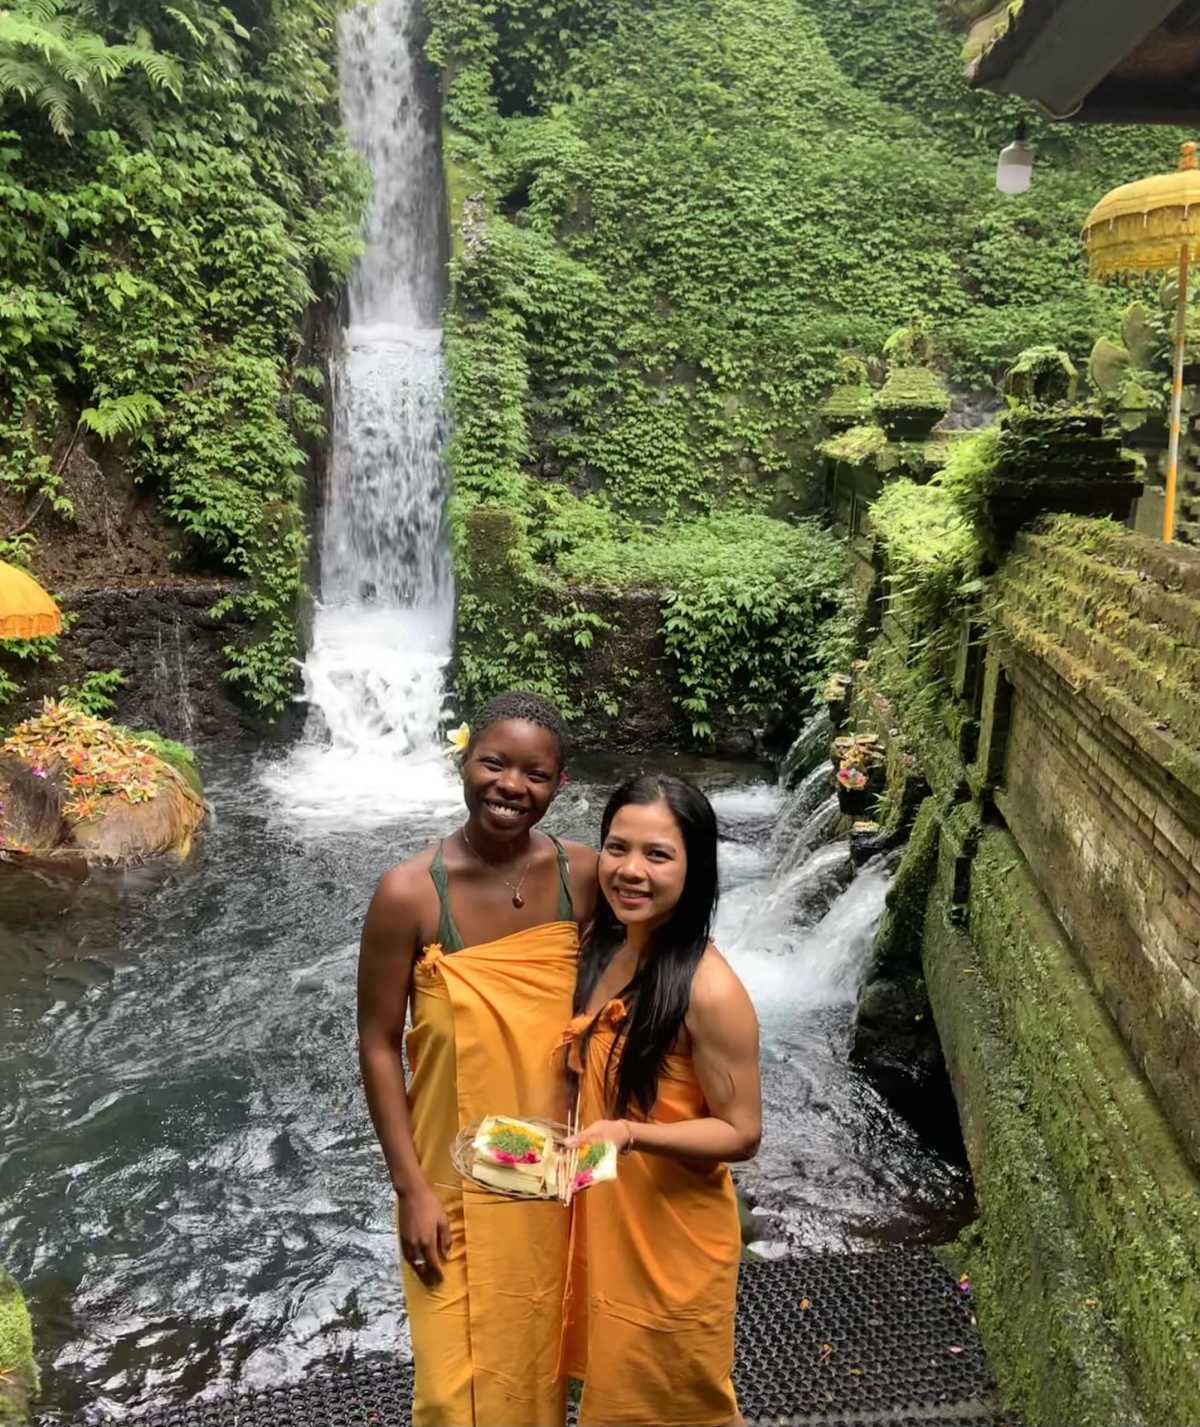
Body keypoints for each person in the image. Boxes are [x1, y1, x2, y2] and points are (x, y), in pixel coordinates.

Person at [357, 691, 596, 1427]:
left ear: (559, 785)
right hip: (450, 1183)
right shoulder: (409, 894)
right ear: (464, 761)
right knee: (450, 1391)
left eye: (536, 773)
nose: (511, 786)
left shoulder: (586, 878)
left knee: (539, 1363)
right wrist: (410, 1190)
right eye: (494, 763)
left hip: (551, 1173)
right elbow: (377, 1043)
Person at [561, 774, 761, 1427]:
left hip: (671, 1245)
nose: (630, 871)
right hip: (609, 1221)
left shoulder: (710, 990)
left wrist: (631, 1134)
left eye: (658, 855)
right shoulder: (606, 946)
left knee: (675, 1409)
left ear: (694, 868)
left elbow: (741, 1132)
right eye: (617, 848)